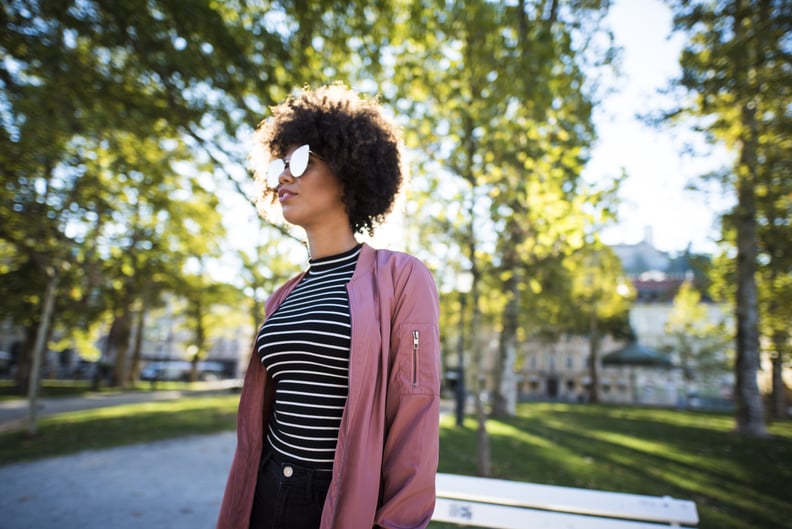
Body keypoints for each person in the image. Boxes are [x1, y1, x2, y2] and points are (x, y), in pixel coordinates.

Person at [216, 83, 441, 529]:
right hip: (265, 491)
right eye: (279, 165)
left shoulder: (401, 278)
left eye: (301, 162)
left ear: (348, 170)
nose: (283, 176)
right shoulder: (281, 297)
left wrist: (395, 524)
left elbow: (416, 407)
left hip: (332, 502)